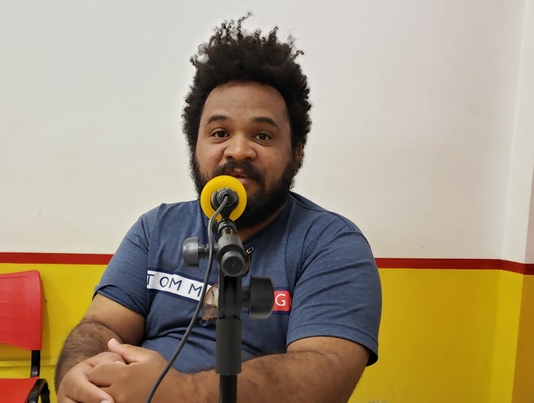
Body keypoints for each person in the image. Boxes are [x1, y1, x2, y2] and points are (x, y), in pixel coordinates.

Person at [55, 14, 382, 403]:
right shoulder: (155, 228)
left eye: (263, 135)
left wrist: (182, 393)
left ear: (296, 153)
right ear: (195, 146)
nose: (239, 150)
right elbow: (100, 326)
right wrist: (79, 375)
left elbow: (325, 373)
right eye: (220, 133)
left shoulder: (332, 243)